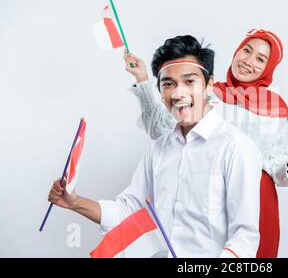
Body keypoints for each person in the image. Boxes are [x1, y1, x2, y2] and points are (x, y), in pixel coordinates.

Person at [48, 35, 262, 258]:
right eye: (168, 84)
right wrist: (75, 202)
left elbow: (244, 239)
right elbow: (127, 211)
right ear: (160, 93)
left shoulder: (237, 147)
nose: (178, 93)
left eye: (189, 82)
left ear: (209, 85)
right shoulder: (159, 150)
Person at [124, 29, 288, 257]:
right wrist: (142, 80)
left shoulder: (273, 108)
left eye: (260, 59)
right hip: (207, 197)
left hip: (256, 198)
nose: (249, 61)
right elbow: (159, 129)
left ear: (269, 67)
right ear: (237, 50)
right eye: (247, 51)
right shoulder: (207, 92)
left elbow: (272, 162)